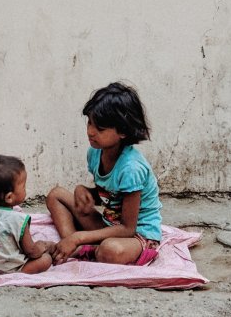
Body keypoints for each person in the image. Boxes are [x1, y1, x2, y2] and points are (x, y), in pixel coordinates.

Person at [46, 82, 162, 266]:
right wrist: (84, 191)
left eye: (100, 129)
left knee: (110, 250)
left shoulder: (131, 168)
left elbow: (127, 228)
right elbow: (109, 196)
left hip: (136, 237)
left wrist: (79, 237)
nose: (90, 131)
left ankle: (80, 247)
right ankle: (75, 246)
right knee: (56, 195)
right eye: (90, 123)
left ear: (123, 131)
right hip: (109, 226)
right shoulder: (95, 153)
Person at [0, 155, 56, 275]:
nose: (26, 189)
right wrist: (44, 246)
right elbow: (32, 252)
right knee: (46, 259)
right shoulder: (19, 219)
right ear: (9, 197)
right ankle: (18, 274)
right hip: (8, 269)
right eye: (23, 186)